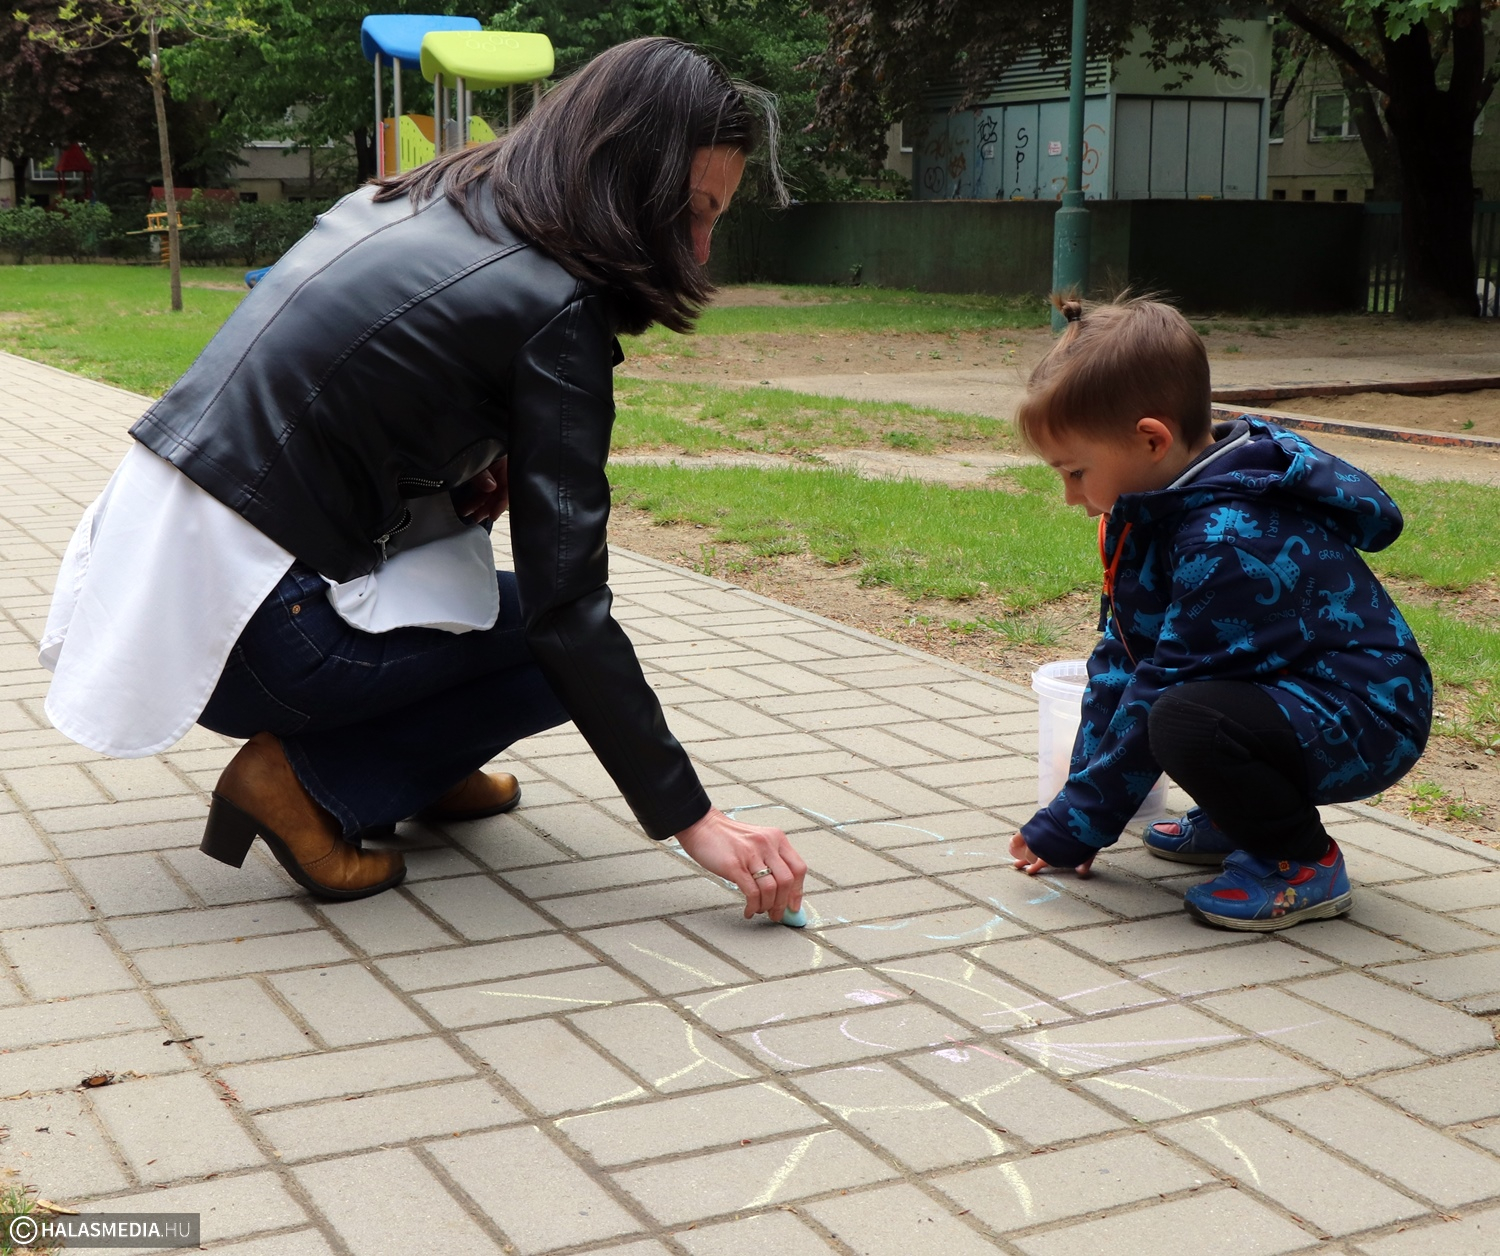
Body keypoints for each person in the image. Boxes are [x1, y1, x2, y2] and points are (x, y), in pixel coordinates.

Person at [39, 37, 807, 919]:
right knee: (551, 649)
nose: (699, 251)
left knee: (512, 616)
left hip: (141, 585)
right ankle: (307, 784)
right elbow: (569, 611)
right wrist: (693, 819)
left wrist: (477, 458)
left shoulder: (415, 196)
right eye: (691, 211)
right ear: (629, 178)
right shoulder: (558, 306)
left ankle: (424, 767)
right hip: (251, 642)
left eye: (715, 219)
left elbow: (350, 384)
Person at [1006, 295, 1432, 931]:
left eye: (1075, 472)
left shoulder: (1225, 538)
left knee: (1186, 720)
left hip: (1368, 717)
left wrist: (1077, 823)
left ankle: (1299, 862)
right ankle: (1242, 818)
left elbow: (1161, 686)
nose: (1071, 497)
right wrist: (1077, 814)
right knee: (1182, 711)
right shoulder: (1157, 510)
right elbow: (1123, 660)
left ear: (1151, 439)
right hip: (1298, 698)